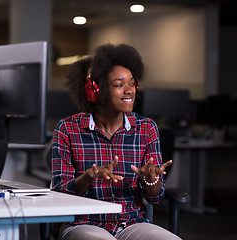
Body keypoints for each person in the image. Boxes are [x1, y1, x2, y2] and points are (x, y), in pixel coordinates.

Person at [51, 43, 181, 240]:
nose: (129, 90)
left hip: (131, 222)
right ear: (95, 91)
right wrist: (88, 177)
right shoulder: (68, 129)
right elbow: (60, 194)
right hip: (84, 223)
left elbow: (154, 197)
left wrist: (150, 179)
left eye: (132, 83)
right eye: (119, 85)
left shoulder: (146, 128)